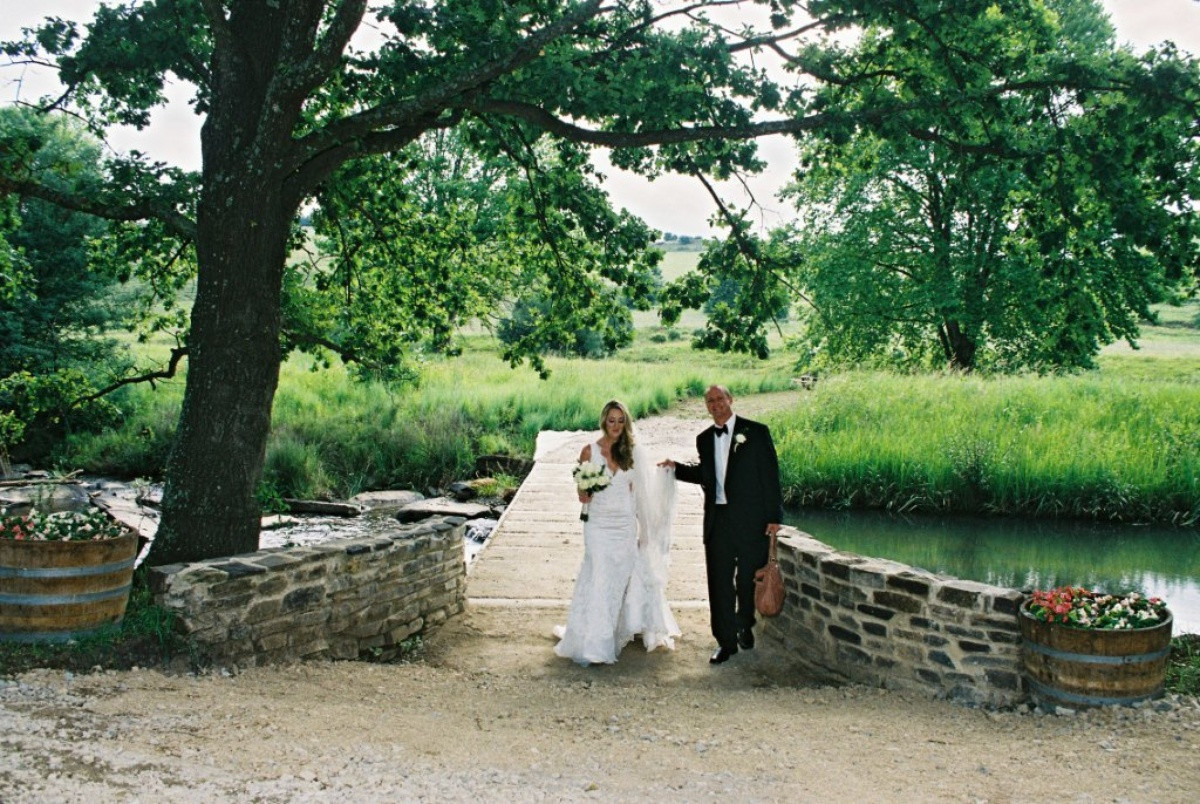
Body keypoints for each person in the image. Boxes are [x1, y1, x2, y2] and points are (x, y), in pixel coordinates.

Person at [661, 385, 783, 665]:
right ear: (706, 406)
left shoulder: (756, 432)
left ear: (730, 400)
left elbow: (770, 476)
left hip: (752, 520)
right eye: (710, 401)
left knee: (745, 580)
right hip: (718, 522)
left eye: (720, 399)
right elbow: (706, 474)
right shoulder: (703, 438)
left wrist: (774, 518)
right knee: (719, 584)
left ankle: (744, 623)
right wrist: (675, 468)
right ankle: (725, 642)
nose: (715, 404)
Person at [554, 400, 680, 666]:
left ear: (626, 423)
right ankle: (596, 645)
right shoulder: (589, 451)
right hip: (597, 526)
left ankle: (606, 632)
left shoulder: (632, 452)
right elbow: (581, 497)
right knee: (599, 578)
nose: (616, 426)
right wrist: (586, 489)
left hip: (624, 527)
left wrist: (645, 531)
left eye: (621, 421)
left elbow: (640, 496)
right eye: (611, 420)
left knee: (616, 583)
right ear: (603, 421)